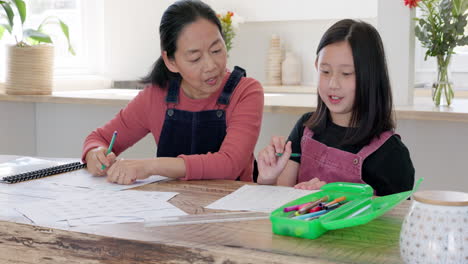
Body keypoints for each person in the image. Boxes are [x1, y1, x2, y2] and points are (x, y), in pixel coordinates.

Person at [82, 0, 263, 184]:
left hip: (231, 206)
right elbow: (100, 138)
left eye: (216, 50)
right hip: (168, 206)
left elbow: (229, 165)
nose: (211, 65)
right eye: (195, 58)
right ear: (171, 62)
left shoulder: (246, 91)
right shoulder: (156, 95)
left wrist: (150, 166)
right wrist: (95, 152)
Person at [257, 19, 414, 196]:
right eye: (325, 71)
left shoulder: (391, 154)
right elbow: (279, 197)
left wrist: (333, 202)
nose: (333, 84)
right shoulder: (305, 128)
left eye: (346, 74)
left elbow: (394, 219)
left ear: (370, 77)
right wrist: (268, 178)